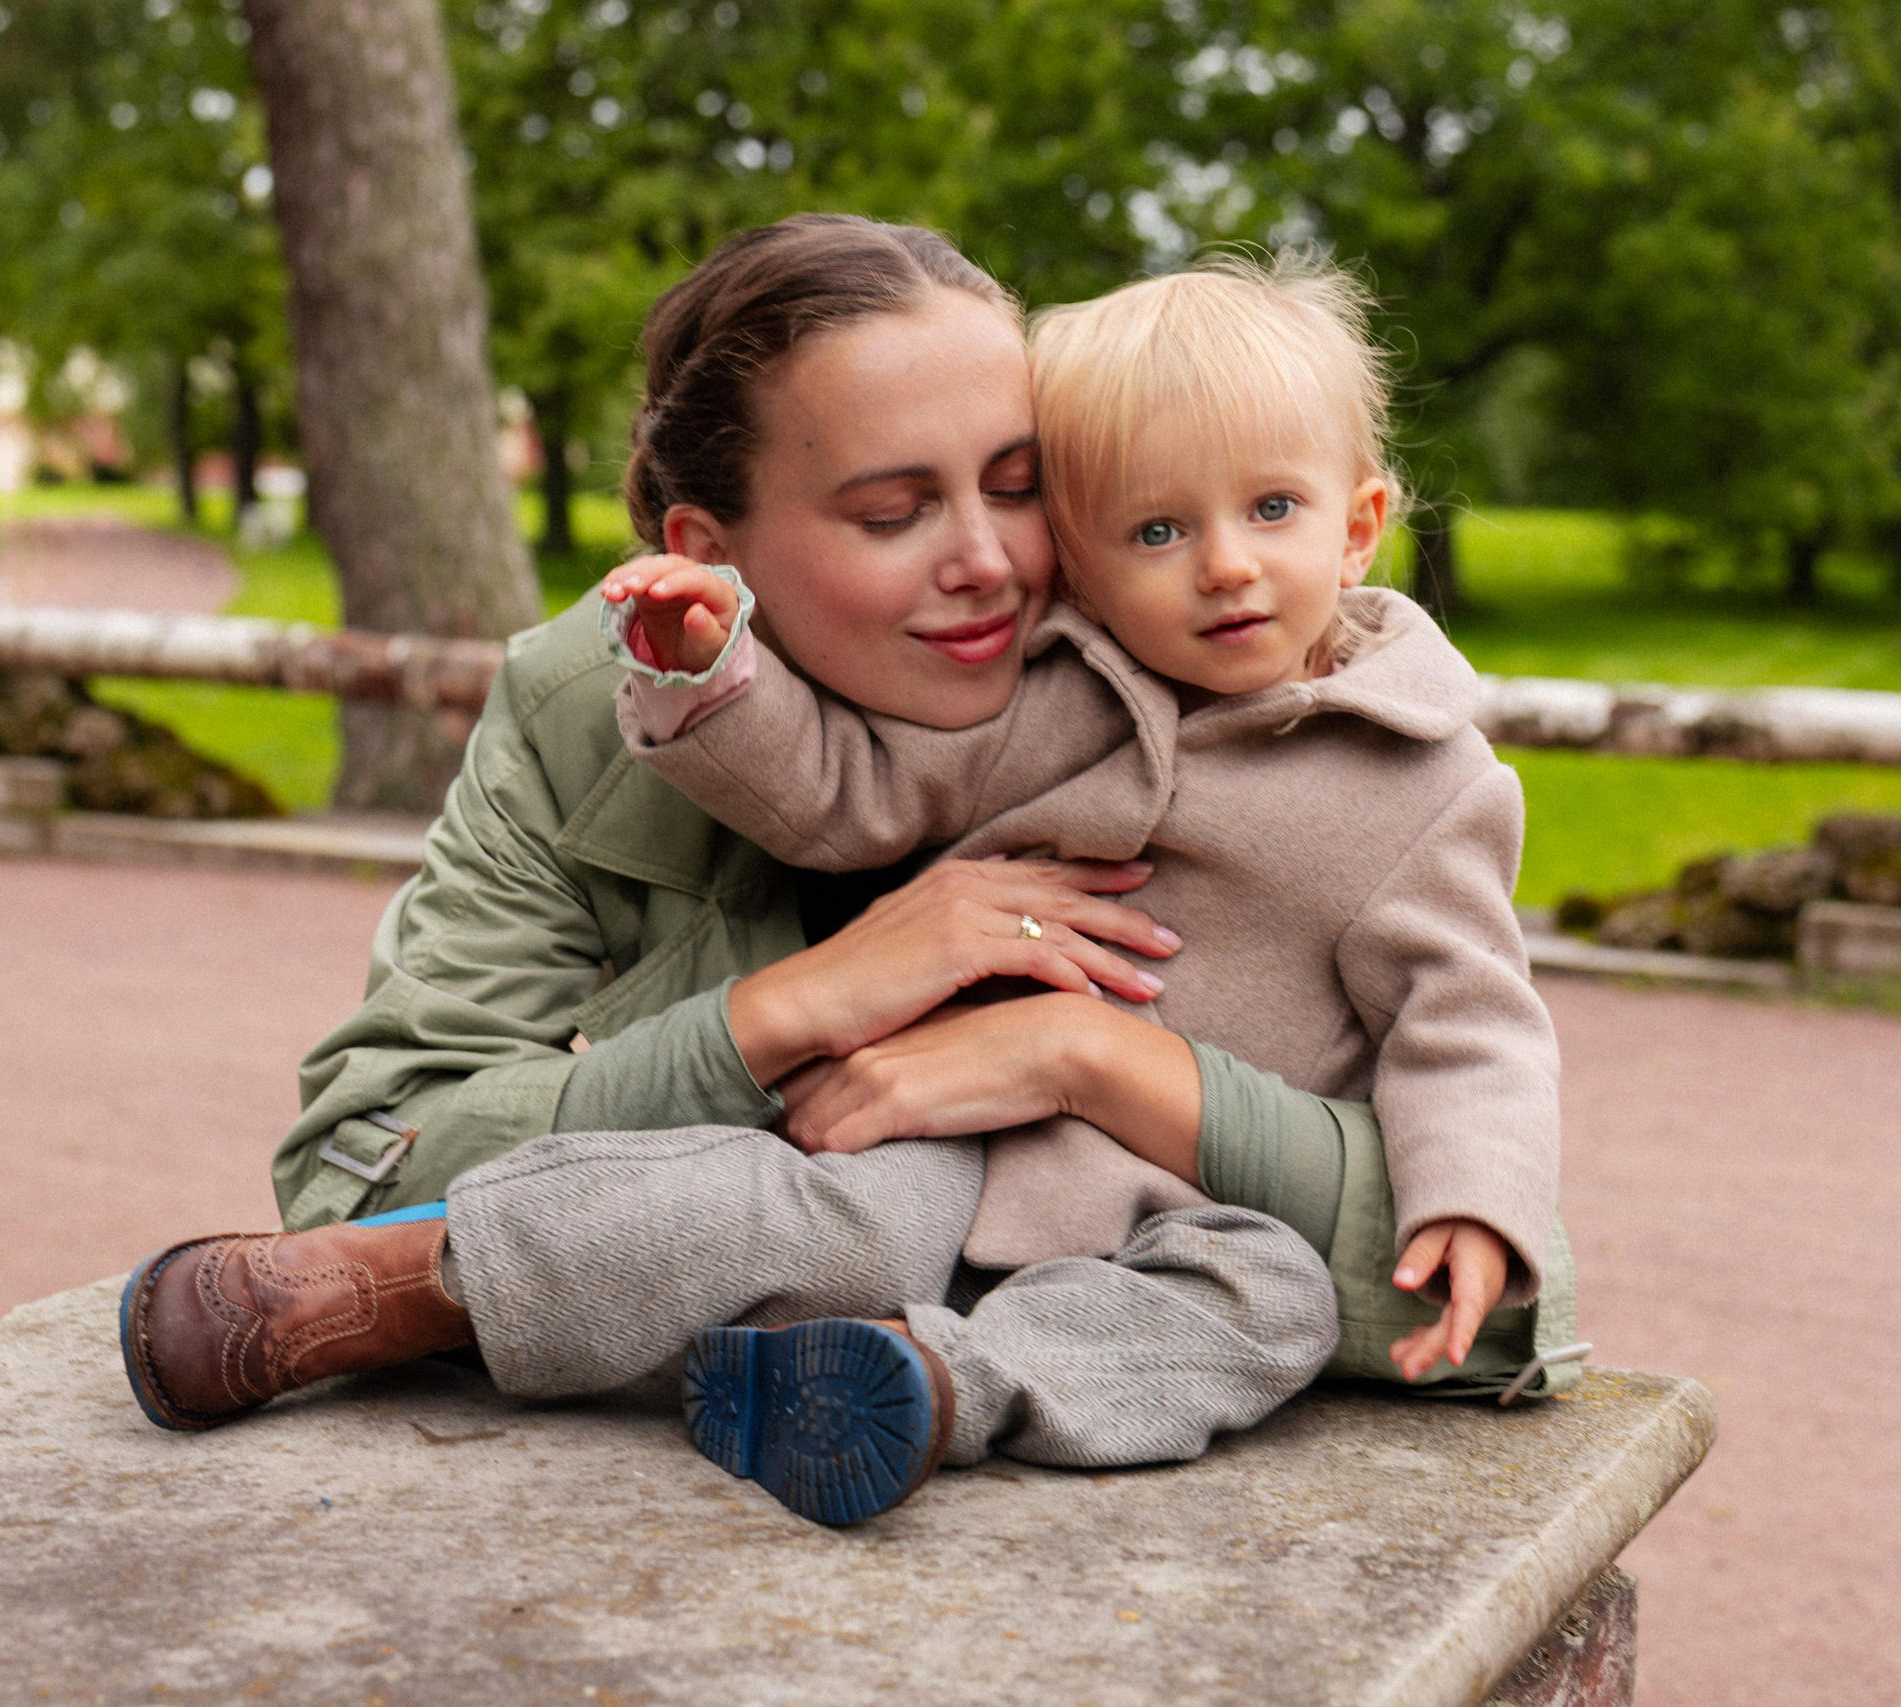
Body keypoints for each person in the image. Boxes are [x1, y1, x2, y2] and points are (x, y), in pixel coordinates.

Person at [118, 219, 1453, 1530]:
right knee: (833, 1222)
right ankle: (511, 1292)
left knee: (1225, 1284)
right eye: (891, 509)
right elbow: (358, 1172)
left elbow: (1504, 1277)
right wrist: (789, 1009)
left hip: (1099, 1251)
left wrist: (1084, 1057)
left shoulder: (1200, 673)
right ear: (709, 551)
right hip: (841, 1216)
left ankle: (917, 1379)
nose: (988, 562)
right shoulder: (590, 713)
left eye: (1019, 483)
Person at [602, 252, 1578, 1388]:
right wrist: (708, 671)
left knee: (1268, 1305)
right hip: (948, 1140)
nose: (1225, 566)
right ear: (1080, 560)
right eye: (1157, 533)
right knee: (752, 1209)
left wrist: (1475, 1199)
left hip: (1186, 1202)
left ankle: (926, 1394)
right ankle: (423, 1285)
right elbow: (839, 797)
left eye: (1272, 509)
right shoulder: (1060, 699)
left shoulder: (1423, 778)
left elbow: (1467, 1026)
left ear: (1357, 524)